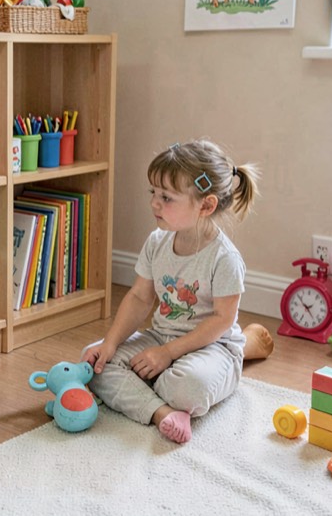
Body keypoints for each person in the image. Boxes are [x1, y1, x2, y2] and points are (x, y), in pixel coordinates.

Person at [82, 139, 271, 444]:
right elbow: (140, 297)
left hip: (213, 346)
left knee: (186, 388)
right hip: (162, 336)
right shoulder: (157, 242)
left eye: (167, 197)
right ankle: (161, 412)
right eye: (153, 193)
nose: (155, 203)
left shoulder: (225, 258)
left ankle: (238, 354)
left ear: (206, 205)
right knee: (92, 364)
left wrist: (167, 354)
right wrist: (110, 343)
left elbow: (223, 319)